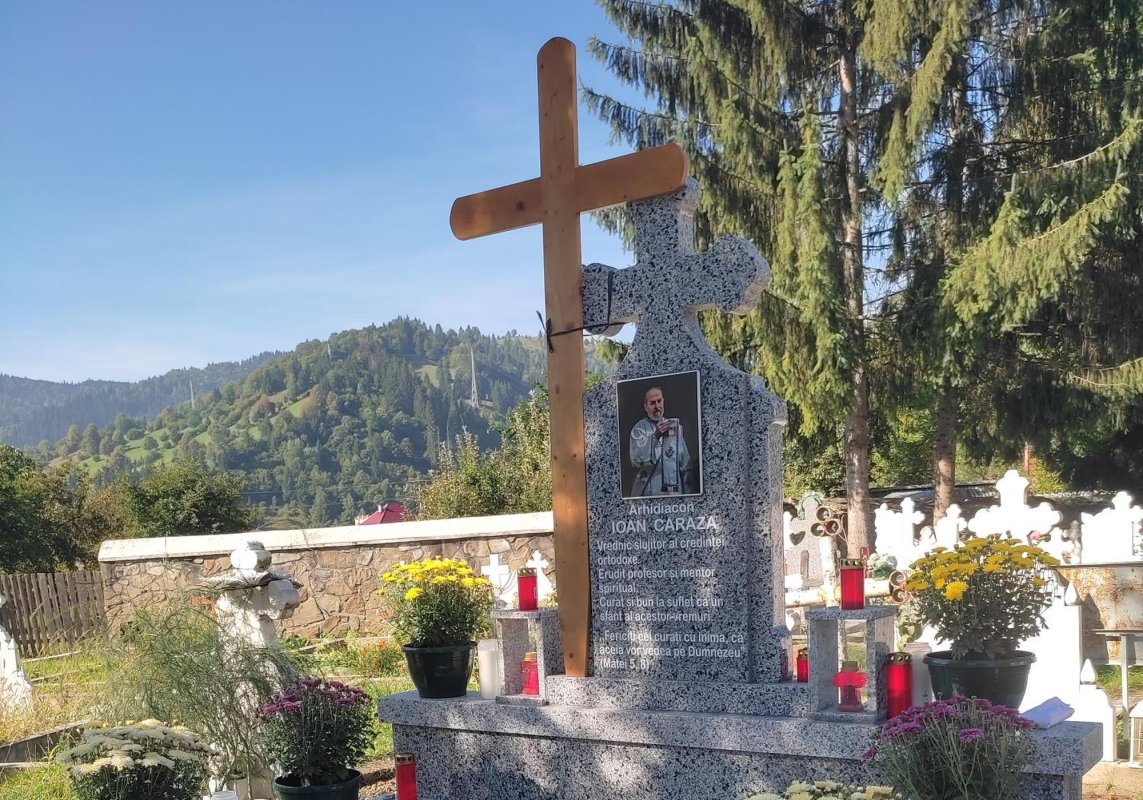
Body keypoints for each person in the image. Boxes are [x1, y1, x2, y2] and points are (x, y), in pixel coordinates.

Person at [628, 386, 694, 496]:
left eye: (659, 401)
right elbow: (637, 460)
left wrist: (689, 494)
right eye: (652, 403)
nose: (657, 406)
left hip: (674, 493)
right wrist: (655, 436)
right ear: (645, 407)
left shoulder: (675, 427)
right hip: (650, 490)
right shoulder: (639, 429)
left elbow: (685, 464)